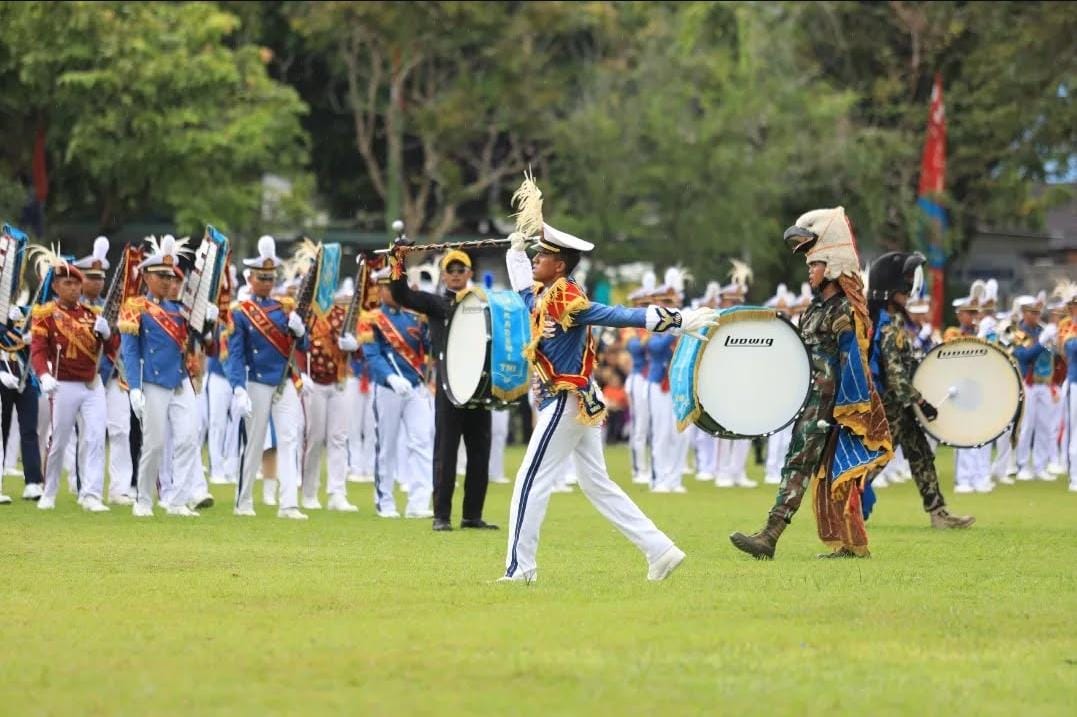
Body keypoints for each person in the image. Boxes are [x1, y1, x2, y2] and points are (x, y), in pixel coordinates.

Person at [498, 177, 706, 582]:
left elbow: (615, 315)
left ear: (559, 264)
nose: (538, 259)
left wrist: (677, 320)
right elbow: (526, 295)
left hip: (567, 400)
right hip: (578, 399)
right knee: (597, 484)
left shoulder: (567, 297)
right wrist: (516, 254)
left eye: (542, 255)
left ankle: (520, 569)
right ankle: (660, 550)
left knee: (529, 481)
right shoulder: (548, 292)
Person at [730, 207, 892, 559]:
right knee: (813, 468)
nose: (810, 272)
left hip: (829, 404)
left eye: (814, 265)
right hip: (809, 398)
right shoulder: (815, 309)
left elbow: (853, 361)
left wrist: (846, 409)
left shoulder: (843, 312)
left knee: (799, 464)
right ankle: (849, 543)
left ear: (832, 267)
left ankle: (769, 537)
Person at [387, 245, 497, 531]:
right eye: (451, 270)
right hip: (449, 389)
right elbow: (402, 295)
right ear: (443, 275)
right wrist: (397, 261)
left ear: (470, 273)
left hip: (479, 388)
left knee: (480, 453)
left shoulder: (484, 304)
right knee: (445, 453)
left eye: (461, 269)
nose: (457, 274)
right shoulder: (437, 304)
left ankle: (472, 515)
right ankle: (442, 516)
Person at [866, 251, 975, 529]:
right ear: (891, 291)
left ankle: (938, 513)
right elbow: (896, 377)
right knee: (877, 460)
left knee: (921, 456)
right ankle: (842, 503)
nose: (908, 292)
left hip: (903, 406)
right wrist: (921, 401)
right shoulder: (888, 328)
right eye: (903, 287)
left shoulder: (893, 323)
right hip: (892, 406)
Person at [119, 235, 217, 517]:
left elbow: (200, 341)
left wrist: (207, 319)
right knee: (154, 444)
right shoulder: (135, 306)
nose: (167, 280)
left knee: (189, 438)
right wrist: (134, 388)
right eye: (161, 275)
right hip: (152, 381)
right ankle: (144, 500)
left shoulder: (180, 310)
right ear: (146, 276)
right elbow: (129, 350)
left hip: (180, 379)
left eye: (170, 275)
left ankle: (177, 500)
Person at [225, 236, 310, 519]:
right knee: (254, 442)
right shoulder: (241, 313)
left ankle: (289, 504)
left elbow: (304, 346)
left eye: (270, 277)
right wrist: (238, 387)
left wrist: (299, 331)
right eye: (262, 277)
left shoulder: (285, 308)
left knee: (290, 439)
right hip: (256, 381)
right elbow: (235, 354)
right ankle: (244, 500)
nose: (267, 282)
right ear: (250, 278)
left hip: (283, 380)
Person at [30, 249, 119, 511]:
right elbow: (38, 350)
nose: (73, 288)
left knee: (94, 437)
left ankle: (91, 494)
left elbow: (113, 349)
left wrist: (107, 334)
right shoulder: (45, 314)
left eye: (76, 283)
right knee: (59, 440)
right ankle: (50, 491)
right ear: (56, 286)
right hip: (63, 383)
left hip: (92, 383)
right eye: (67, 283)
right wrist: (43, 375)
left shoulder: (93, 314)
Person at [360, 266, 434, 519]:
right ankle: (385, 501)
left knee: (422, 441)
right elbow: (372, 355)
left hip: (415, 385)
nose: (394, 292)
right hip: (388, 388)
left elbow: (427, 347)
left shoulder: (415, 317)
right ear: (380, 289)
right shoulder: (371, 318)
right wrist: (390, 377)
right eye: (390, 287)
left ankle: (419, 501)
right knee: (387, 446)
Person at [299, 276, 360, 513]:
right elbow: (298, 345)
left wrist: (353, 345)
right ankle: (309, 491)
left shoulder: (341, 313)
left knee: (338, 438)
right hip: (314, 381)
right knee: (314, 438)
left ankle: (337, 492)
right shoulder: (306, 314)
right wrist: (302, 373)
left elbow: (357, 346)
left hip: (339, 380)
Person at [945, 281, 991, 494]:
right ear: (959, 315)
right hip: (959, 386)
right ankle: (963, 479)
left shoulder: (985, 332)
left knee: (981, 432)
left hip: (979, 385)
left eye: (975, 312)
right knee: (963, 433)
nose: (973, 316)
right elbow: (956, 352)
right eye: (968, 313)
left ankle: (980, 476)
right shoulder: (953, 333)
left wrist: (986, 334)